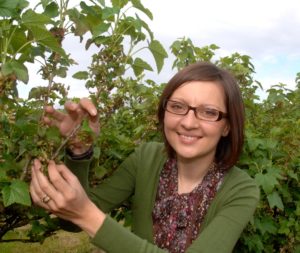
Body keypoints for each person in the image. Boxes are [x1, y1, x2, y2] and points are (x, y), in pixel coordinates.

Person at [30, 61, 259, 253]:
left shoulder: (241, 190)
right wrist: (79, 152)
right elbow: (71, 222)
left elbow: (85, 213)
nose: (188, 123)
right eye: (178, 106)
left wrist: (86, 214)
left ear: (228, 126)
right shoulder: (146, 158)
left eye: (209, 112)